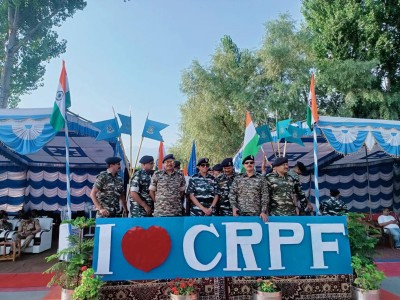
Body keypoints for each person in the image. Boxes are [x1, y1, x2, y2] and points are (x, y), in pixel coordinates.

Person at [229, 155, 268, 222]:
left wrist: (263, 211)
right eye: (247, 163)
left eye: (251, 162)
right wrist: (234, 207)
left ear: (254, 164)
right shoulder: (238, 178)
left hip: (257, 213)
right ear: (244, 165)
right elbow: (232, 194)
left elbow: (265, 195)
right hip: (240, 213)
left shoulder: (261, 178)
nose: (249, 164)